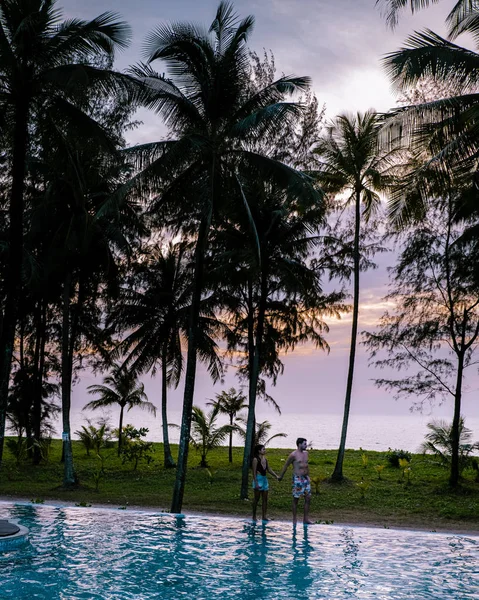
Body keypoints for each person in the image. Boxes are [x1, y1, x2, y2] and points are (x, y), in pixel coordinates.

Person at [278, 437, 313, 525]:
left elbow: (306, 465)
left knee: (308, 498)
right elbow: (286, 465)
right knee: (296, 499)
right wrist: (281, 476)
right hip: (298, 478)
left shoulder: (306, 453)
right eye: (304, 444)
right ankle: (294, 518)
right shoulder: (293, 455)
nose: (306, 445)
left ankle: (306, 518)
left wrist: (308, 476)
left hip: (305, 478)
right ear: (299, 444)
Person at [252, 444, 278, 521]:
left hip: (264, 480)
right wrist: (256, 483)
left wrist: (276, 476)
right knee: (256, 499)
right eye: (263, 449)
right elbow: (253, 472)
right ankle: (254, 516)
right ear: (259, 451)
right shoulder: (255, 460)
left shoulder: (265, 460)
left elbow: (269, 470)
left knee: (265, 499)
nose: (264, 450)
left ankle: (264, 516)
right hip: (258, 479)